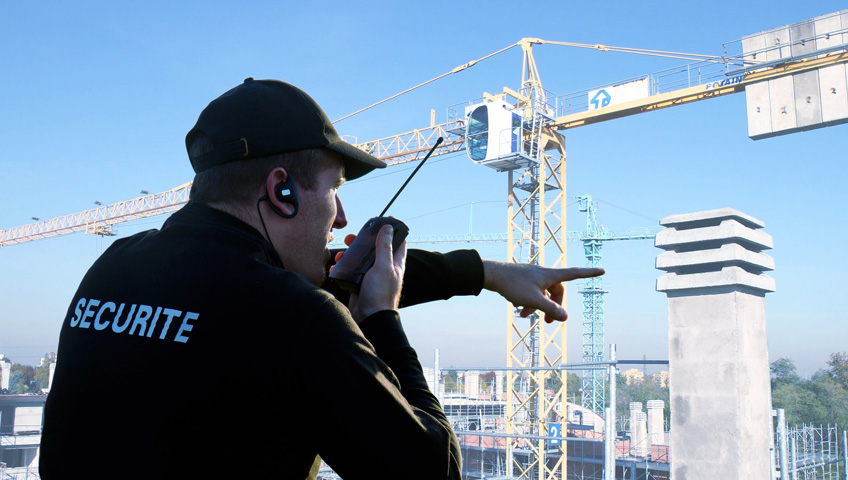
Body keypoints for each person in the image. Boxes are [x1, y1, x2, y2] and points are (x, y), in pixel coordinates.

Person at [40, 78, 603, 479]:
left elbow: (329, 273)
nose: (340, 219)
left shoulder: (114, 264)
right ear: (280, 191)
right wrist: (381, 319)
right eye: (335, 190)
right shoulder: (294, 316)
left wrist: (487, 273)